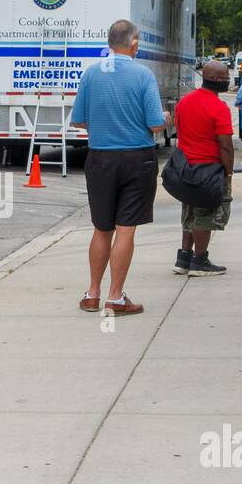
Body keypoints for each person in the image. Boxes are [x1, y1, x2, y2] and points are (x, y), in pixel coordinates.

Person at [72, 19, 165, 315]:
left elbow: (79, 119)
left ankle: (92, 293)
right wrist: (166, 118)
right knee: (125, 230)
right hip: (137, 158)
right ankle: (115, 297)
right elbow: (154, 123)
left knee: (102, 229)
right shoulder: (143, 75)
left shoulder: (91, 73)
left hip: (99, 158)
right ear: (134, 42)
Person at [172, 59, 234, 276]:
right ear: (216, 79)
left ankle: (183, 259)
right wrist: (228, 173)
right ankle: (200, 261)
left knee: (189, 214)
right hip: (208, 169)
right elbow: (225, 145)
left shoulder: (184, 102)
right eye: (226, 77)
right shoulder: (219, 108)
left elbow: (178, 131)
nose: (228, 80)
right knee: (205, 215)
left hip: (185, 168)